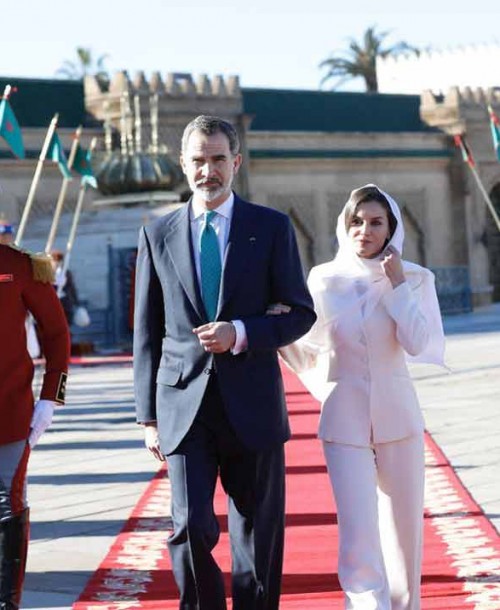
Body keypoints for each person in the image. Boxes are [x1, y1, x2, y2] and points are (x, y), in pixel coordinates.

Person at [133, 115, 316, 610]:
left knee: (257, 532)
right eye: (198, 160)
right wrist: (147, 416)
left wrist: (243, 332)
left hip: (252, 402)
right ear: (183, 164)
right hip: (182, 404)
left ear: (235, 163)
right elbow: (147, 330)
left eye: (217, 160)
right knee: (189, 527)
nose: (207, 171)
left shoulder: (271, 228)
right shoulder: (157, 234)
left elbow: (300, 314)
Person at [278, 184, 445, 610]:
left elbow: (418, 341)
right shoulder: (323, 280)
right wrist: (277, 331)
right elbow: (305, 347)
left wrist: (397, 286)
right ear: (344, 224)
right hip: (344, 419)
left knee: (404, 531)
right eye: (357, 221)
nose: (364, 231)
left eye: (376, 223)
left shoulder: (416, 277)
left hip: (399, 418)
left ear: (391, 229)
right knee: (357, 530)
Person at [0, 243, 70, 609]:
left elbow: (56, 332)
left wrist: (50, 397)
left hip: (8, 412)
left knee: (7, 505)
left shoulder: (19, 265)